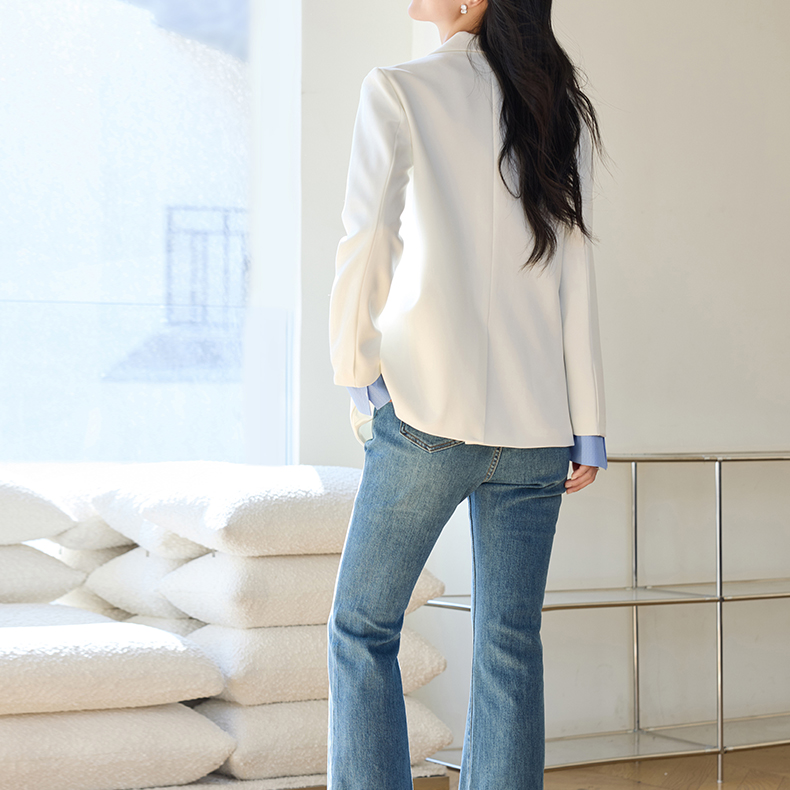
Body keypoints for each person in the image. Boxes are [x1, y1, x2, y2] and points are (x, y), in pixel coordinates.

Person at [326, 0, 607, 787]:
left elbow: (367, 239)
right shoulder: (555, 108)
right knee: (510, 646)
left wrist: (358, 374)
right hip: (538, 426)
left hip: (425, 415)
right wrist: (587, 424)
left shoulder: (398, 88)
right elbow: (576, 271)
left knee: (362, 630)